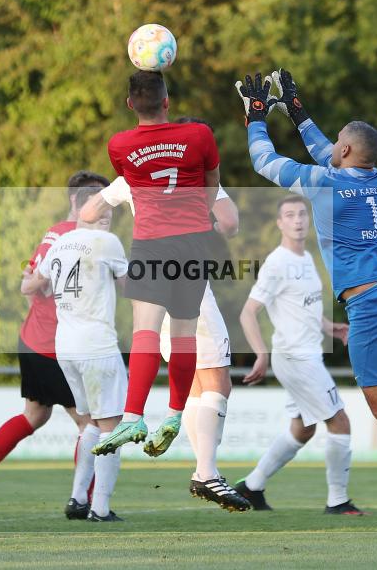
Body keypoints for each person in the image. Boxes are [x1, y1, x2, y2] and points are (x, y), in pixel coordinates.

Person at [236, 69, 377, 541]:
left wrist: (256, 117)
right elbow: (330, 150)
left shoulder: (325, 183)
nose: (334, 145)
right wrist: (298, 111)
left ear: (345, 152)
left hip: (372, 302)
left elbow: (264, 161)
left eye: (339, 141)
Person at [80, 118, 250, 511]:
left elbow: (90, 212)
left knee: (192, 382)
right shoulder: (198, 176)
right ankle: (207, 473)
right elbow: (230, 224)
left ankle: (199, 469)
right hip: (188, 274)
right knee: (217, 382)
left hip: (151, 272)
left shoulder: (133, 173)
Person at [0, 170, 110, 519]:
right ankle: (83, 502)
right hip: (59, 345)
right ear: (79, 202)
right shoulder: (79, 237)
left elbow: (28, 283)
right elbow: (33, 285)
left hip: (35, 339)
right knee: (91, 425)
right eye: (101, 201)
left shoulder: (54, 232)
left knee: (35, 415)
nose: (106, 208)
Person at [91, 71, 221, 458]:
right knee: (183, 334)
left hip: (151, 243)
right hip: (195, 242)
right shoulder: (199, 136)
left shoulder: (120, 144)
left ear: (131, 104)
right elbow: (212, 186)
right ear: (168, 101)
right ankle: (175, 416)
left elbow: (128, 181)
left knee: (146, 331)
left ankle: (133, 416)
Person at [235, 194, 362, 515]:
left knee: (303, 429)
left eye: (302, 214)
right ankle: (338, 501)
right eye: (290, 215)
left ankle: (251, 487)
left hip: (307, 355)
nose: (298, 220)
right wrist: (261, 353)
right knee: (340, 420)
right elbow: (248, 313)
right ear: (279, 223)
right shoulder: (277, 263)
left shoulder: (306, 259)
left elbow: (302, 308)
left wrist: (329, 326)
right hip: (294, 357)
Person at [38, 186, 128, 522]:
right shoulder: (107, 242)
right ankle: (100, 508)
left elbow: (39, 280)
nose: (107, 221)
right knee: (112, 426)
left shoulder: (61, 242)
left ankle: (78, 498)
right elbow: (130, 285)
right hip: (96, 343)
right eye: (103, 214)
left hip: (66, 344)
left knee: (89, 421)